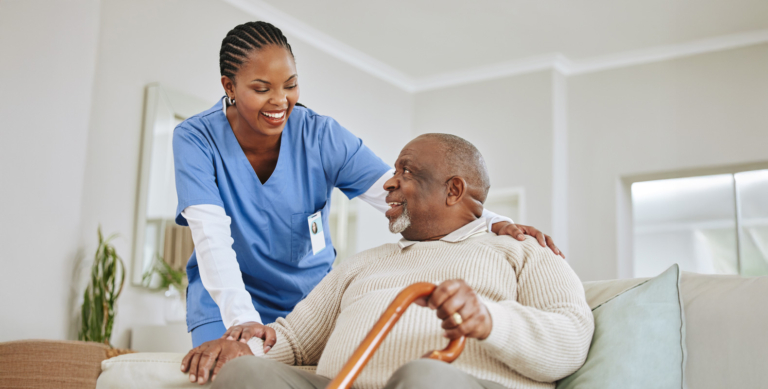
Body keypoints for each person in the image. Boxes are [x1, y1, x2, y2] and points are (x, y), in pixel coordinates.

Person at [173, 21, 565, 351]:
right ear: (229, 85)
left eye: (290, 85)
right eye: (262, 89)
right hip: (225, 298)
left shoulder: (320, 136)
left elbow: (398, 193)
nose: (281, 101)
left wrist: (490, 219)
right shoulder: (195, 139)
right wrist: (243, 321)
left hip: (307, 303)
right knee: (228, 373)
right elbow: (211, 239)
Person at [181, 134, 594, 388]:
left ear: (454, 190)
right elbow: (291, 340)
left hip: (452, 384)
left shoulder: (522, 250)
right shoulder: (363, 264)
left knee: (424, 377)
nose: (390, 182)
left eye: (407, 172)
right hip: (340, 385)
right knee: (244, 375)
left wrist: (490, 320)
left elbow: (572, 340)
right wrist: (241, 349)